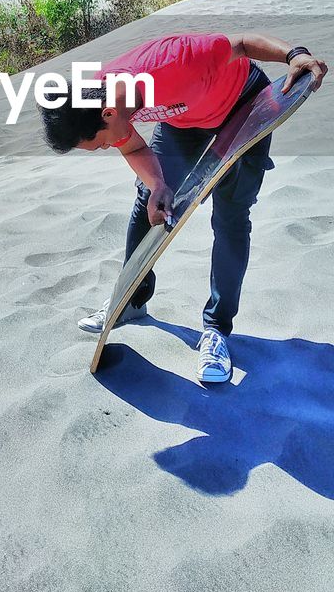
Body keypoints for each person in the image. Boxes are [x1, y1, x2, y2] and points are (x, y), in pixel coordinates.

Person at [38, 33, 327, 384]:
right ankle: (133, 299)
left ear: (108, 114)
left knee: (230, 217)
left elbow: (241, 44)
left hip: (243, 105)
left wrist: (293, 54)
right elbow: (131, 147)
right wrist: (159, 185)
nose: (106, 148)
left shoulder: (177, 62)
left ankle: (217, 330)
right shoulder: (97, 100)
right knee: (148, 200)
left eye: (100, 145)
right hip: (184, 122)